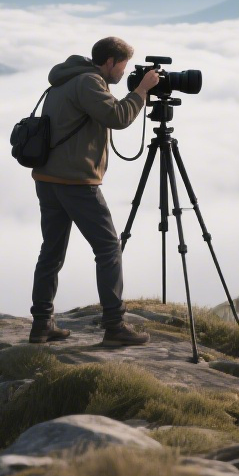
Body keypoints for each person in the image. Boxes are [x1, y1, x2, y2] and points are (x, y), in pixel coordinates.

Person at [29, 36, 162, 346]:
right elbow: (117, 117)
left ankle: (42, 324)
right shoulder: (89, 81)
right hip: (75, 182)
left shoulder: (67, 78)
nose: (123, 72)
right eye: (124, 66)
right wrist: (141, 90)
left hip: (48, 179)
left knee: (51, 252)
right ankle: (115, 325)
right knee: (108, 249)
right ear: (111, 62)